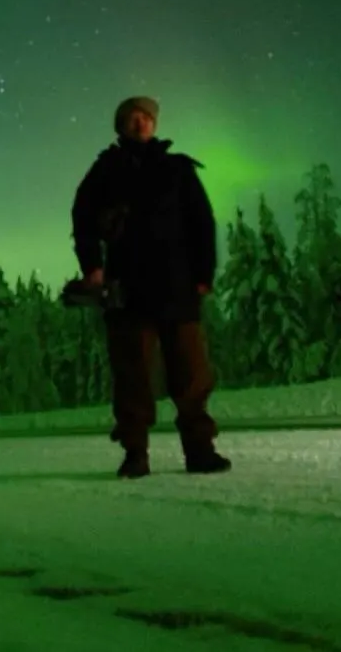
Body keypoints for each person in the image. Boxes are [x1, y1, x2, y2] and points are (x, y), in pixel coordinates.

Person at [70, 95, 230, 478]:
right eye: (132, 118)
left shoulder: (177, 170)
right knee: (132, 375)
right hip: (127, 289)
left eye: (146, 117)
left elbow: (201, 223)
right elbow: (83, 218)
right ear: (121, 126)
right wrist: (92, 267)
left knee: (191, 374)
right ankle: (135, 454)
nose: (140, 123)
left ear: (154, 124)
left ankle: (200, 450)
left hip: (178, 287)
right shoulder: (105, 170)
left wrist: (204, 274)